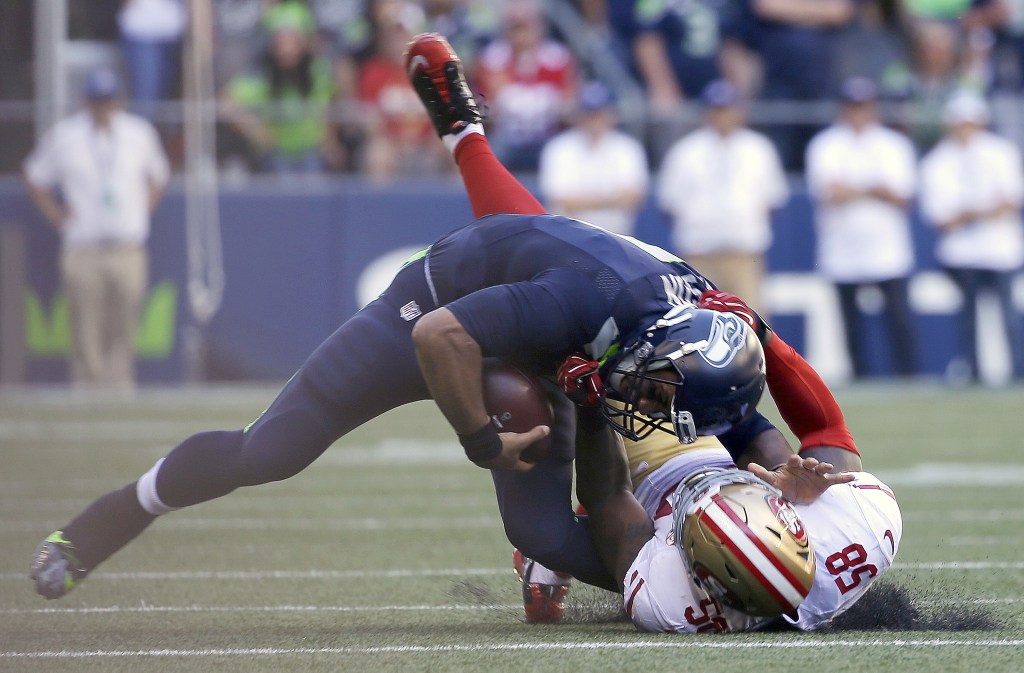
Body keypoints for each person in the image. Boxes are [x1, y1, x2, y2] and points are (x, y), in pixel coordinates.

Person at [30, 34, 795, 601]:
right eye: (663, 391)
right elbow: (443, 336)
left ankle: (673, 580)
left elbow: (732, 406)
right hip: (435, 307)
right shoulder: (592, 309)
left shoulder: (690, 329)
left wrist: (794, 474)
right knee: (272, 449)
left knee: (545, 521)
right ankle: (99, 523)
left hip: (544, 309)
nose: (662, 405)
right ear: (662, 347)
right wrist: (480, 440)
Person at [526, 290, 902, 632]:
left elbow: (609, 495)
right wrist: (763, 335)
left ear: (695, 569)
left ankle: (552, 560)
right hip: (737, 465)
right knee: (785, 466)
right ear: (792, 526)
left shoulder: (668, 601)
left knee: (547, 534)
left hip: (654, 487)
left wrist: (588, 409)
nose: (710, 490)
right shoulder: (862, 526)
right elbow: (826, 428)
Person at [22, 67, 171, 391]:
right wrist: (56, 215)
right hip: (83, 246)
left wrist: (142, 209)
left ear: (117, 101)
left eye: (107, 100)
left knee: (125, 322)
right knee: (85, 325)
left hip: (127, 246)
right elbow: (34, 175)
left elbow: (160, 175)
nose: (103, 108)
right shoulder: (65, 136)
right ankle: (87, 389)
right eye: (96, 101)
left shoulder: (138, 133)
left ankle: (119, 387)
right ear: (86, 102)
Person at [805, 76, 919, 379]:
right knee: (852, 325)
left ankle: (908, 378)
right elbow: (830, 193)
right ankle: (861, 377)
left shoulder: (894, 144)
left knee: (899, 321)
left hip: (887, 248)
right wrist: (875, 188)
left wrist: (854, 189)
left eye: (863, 106)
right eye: (852, 106)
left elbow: (902, 196)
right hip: (843, 249)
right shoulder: (825, 144)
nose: (858, 112)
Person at [656, 79, 788, 316]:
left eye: (727, 109)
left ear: (739, 111)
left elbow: (773, 202)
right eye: (716, 110)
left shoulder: (758, 148)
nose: (722, 116)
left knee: (752, 327)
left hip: (743, 255)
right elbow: (669, 205)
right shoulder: (686, 151)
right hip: (698, 256)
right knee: (697, 327)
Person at [919, 91, 1024, 383]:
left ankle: (1017, 371)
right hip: (961, 252)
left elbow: (1011, 201)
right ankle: (973, 372)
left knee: (1009, 316)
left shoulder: (1001, 152)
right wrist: (986, 210)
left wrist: (966, 213)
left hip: (1001, 249)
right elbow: (942, 219)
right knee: (968, 317)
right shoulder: (937, 161)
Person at [219, 6, 343, 175]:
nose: (286, 50)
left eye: (292, 42)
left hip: (311, 151)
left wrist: (330, 141)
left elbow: (330, 108)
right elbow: (226, 100)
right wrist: (253, 129)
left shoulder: (318, 73)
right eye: (281, 43)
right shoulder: (263, 76)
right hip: (276, 153)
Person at [472, 1, 578, 172]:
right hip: (506, 136)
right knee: (490, 156)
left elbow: (570, 102)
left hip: (547, 134)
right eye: (516, 28)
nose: (521, 35)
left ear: (539, 28)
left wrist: (547, 106)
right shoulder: (492, 60)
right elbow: (481, 108)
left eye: (526, 27)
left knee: (563, 152)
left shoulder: (557, 58)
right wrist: (498, 105)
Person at [537, 81, 650, 236]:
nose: (594, 120)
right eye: (589, 114)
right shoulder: (560, 148)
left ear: (612, 114)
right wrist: (612, 199)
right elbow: (563, 200)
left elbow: (633, 197)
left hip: (618, 237)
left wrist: (585, 201)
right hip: (571, 238)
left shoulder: (627, 148)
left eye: (599, 114)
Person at [117, 0, 187, 123]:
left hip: (176, 32)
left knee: (169, 106)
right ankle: (140, 139)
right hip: (143, 32)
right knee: (146, 102)